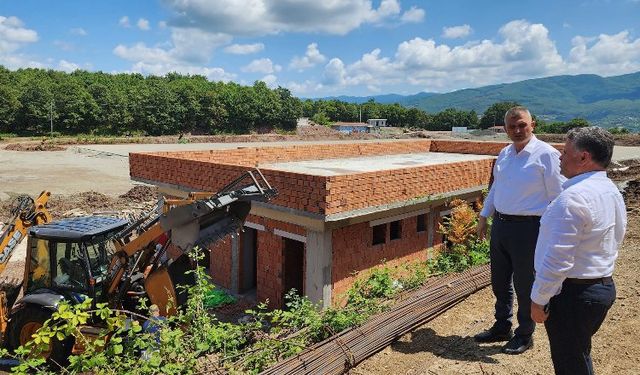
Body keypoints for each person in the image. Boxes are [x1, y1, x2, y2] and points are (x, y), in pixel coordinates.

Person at [530, 127, 626, 374]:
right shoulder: (610, 190)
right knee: (578, 353)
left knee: (570, 362)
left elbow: (557, 259)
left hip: (573, 295)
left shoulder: (572, 198)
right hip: (600, 287)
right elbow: (618, 234)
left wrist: (538, 299)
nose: (559, 157)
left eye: (564, 151)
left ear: (583, 157)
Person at [474, 106, 565, 354]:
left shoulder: (547, 155)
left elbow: (559, 197)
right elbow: (496, 188)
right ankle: (501, 325)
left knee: (526, 284)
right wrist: (484, 216)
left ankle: (524, 334)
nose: (517, 130)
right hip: (501, 225)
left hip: (530, 229)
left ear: (532, 124)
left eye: (522, 125)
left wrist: (554, 233)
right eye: (512, 126)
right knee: (499, 281)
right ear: (505, 129)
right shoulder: (504, 154)